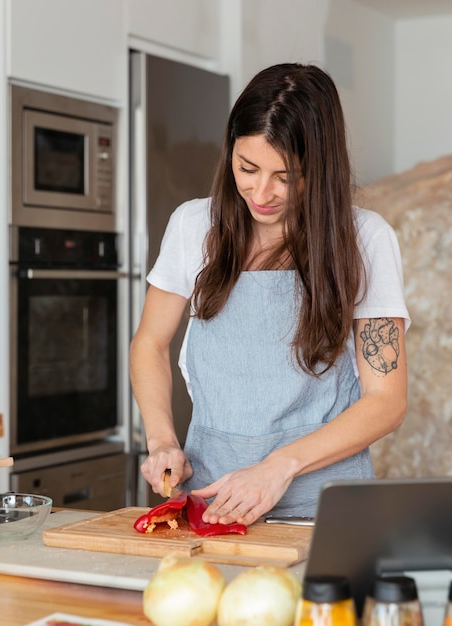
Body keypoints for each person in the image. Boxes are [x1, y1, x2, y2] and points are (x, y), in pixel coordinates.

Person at [129, 62, 410, 527]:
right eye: (248, 167)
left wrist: (279, 467)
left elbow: (386, 401)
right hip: (211, 499)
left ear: (321, 168)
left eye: (287, 175)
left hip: (328, 506)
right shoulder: (194, 227)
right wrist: (161, 440)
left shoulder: (365, 240)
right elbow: (150, 343)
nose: (262, 193)